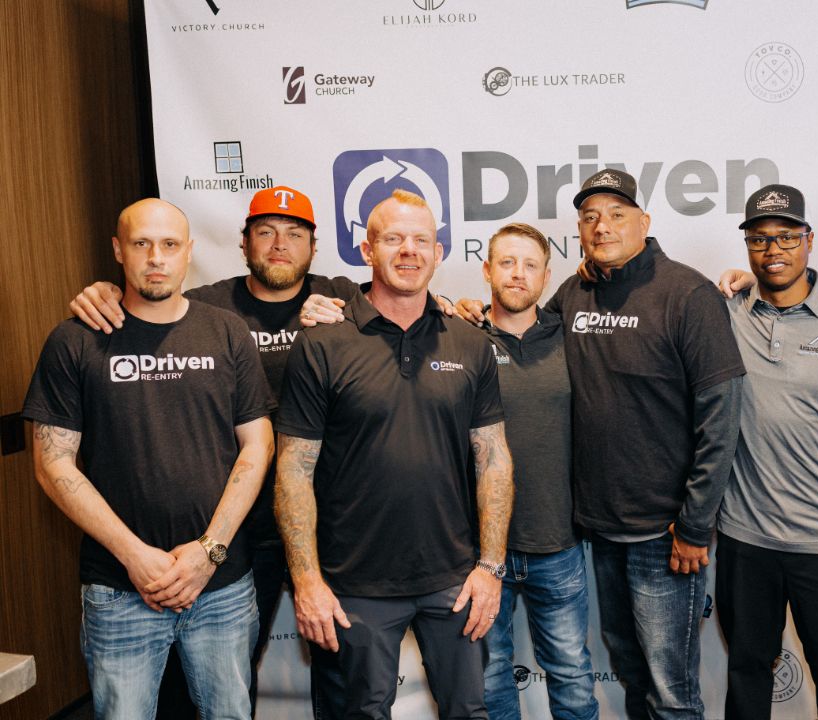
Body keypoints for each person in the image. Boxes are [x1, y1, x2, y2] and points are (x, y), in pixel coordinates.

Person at [444, 170, 744, 719]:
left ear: (645, 223)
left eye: (617, 214)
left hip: (666, 533)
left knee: (672, 691)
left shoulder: (688, 292)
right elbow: (521, 323)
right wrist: (463, 310)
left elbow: (721, 418)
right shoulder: (575, 292)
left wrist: (697, 524)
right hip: (598, 532)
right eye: (589, 217)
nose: (602, 226)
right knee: (630, 670)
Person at [67, 185, 357, 716]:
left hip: (327, 528)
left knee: (341, 676)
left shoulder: (342, 298)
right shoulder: (209, 308)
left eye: (294, 235)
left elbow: (414, 309)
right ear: (242, 243)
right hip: (235, 536)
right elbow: (147, 305)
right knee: (217, 687)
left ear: (313, 248)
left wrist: (460, 305)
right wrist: (102, 292)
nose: (279, 245)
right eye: (265, 233)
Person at [23, 198, 275, 718]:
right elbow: (53, 464)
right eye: (141, 244)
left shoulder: (228, 334)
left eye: (168, 245)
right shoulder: (75, 342)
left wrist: (209, 552)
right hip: (119, 590)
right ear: (119, 250)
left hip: (221, 588)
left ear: (189, 253)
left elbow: (258, 445)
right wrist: (136, 558)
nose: (155, 258)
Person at [274, 189, 514, 719]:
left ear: (440, 250)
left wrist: (490, 568)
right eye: (394, 238)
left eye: (422, 240)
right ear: (366, 250)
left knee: (470, 712)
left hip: (453, 579)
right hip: (352, 585)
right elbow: (293, 469)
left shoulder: (469, 343)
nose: (409, 251)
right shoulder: (323, 343)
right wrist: (307, 580)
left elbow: (493, 457)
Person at [717, 184, 818, 720]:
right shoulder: (727, 315)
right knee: (746, 673)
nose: (773, 251)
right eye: (760, 240)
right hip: (745, 536)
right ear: (747, 249)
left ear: (809, 241)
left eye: (786, 237)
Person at [475, 223, 598, 720]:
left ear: (547, 276)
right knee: (489, 676)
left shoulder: (574, 338)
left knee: (571, 674)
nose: (518, 274)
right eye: (506, 262)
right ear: (487, 270)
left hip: (558, 544)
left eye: (530, 265)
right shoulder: (461, 342)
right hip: (481, 551)